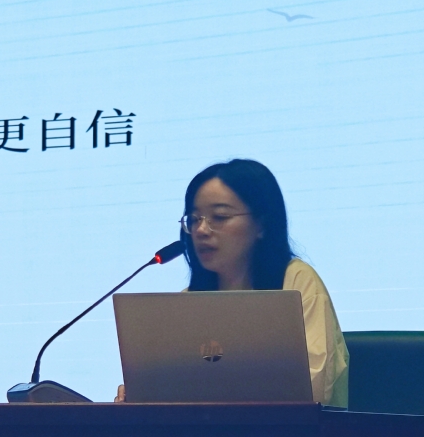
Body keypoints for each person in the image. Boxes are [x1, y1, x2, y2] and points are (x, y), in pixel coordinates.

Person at [116, 159, 348, 406]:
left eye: (219, 217)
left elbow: (314, 389)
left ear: (261, 224)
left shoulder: (297, 283)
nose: (201, 230)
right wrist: (140, 393)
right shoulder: (187, 302)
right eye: (194, 219)